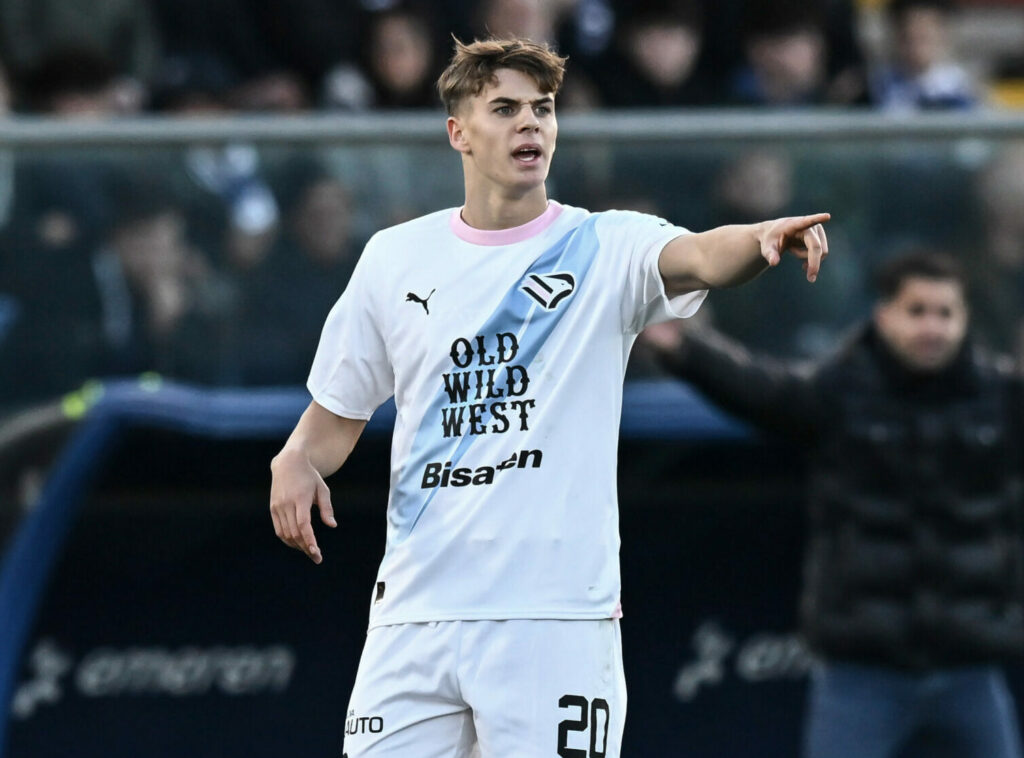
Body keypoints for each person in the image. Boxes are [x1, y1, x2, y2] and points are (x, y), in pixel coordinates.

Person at [268, 36, 830, 758]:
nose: (530, 122)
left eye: (543, 108)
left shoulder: (607, 245)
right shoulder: (394, 257)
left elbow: (697, 255)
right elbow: (338, 413)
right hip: (415, 614)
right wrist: (297, 459)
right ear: (458, 132)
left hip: (554, 619)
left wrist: (758, 239)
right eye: (505, 109)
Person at [644, 250, 1024, 758]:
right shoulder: (841, 390)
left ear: (965, 319)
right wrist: (687, 350)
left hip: (969, 670)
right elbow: (762, 390)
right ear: (883, 315)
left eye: (945, 313)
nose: (932, 327)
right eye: (917, 311)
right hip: (863, 673)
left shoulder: (1001, 399)